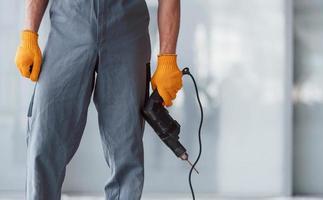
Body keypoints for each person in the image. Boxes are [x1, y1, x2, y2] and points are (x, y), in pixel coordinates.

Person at [14, 0, 182, 199]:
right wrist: (29, 34)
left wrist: (167, 58)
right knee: (45, 137)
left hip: (127, 26)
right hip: (70, 21)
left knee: (126, 149)